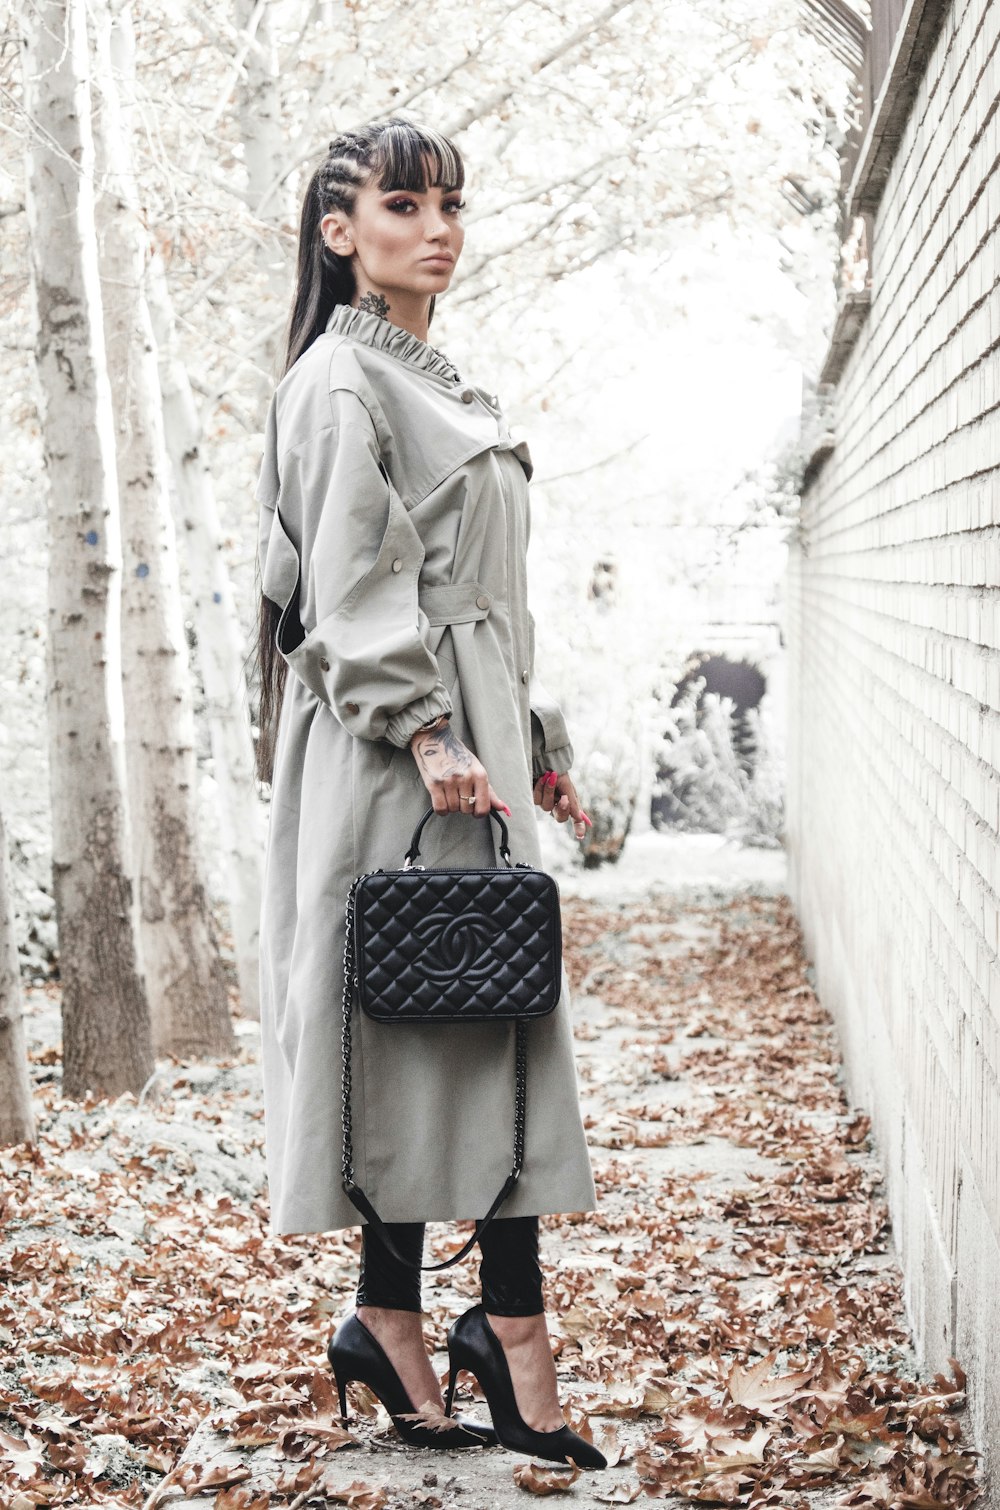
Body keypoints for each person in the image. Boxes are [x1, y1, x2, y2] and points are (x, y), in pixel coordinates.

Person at [252, 117, 605, 1471]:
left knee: (447, 1021)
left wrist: (533, 734)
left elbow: (487, 596)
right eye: (405, 204)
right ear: (343, 232)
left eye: (451, 202)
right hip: (407, 756)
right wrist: (427, 727)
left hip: (467, 740)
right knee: (463, 1019)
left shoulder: (424, 373)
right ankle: (514, 1343)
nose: (438, 226)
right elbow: (346, 591)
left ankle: (391, 1317)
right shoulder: (345, 380)